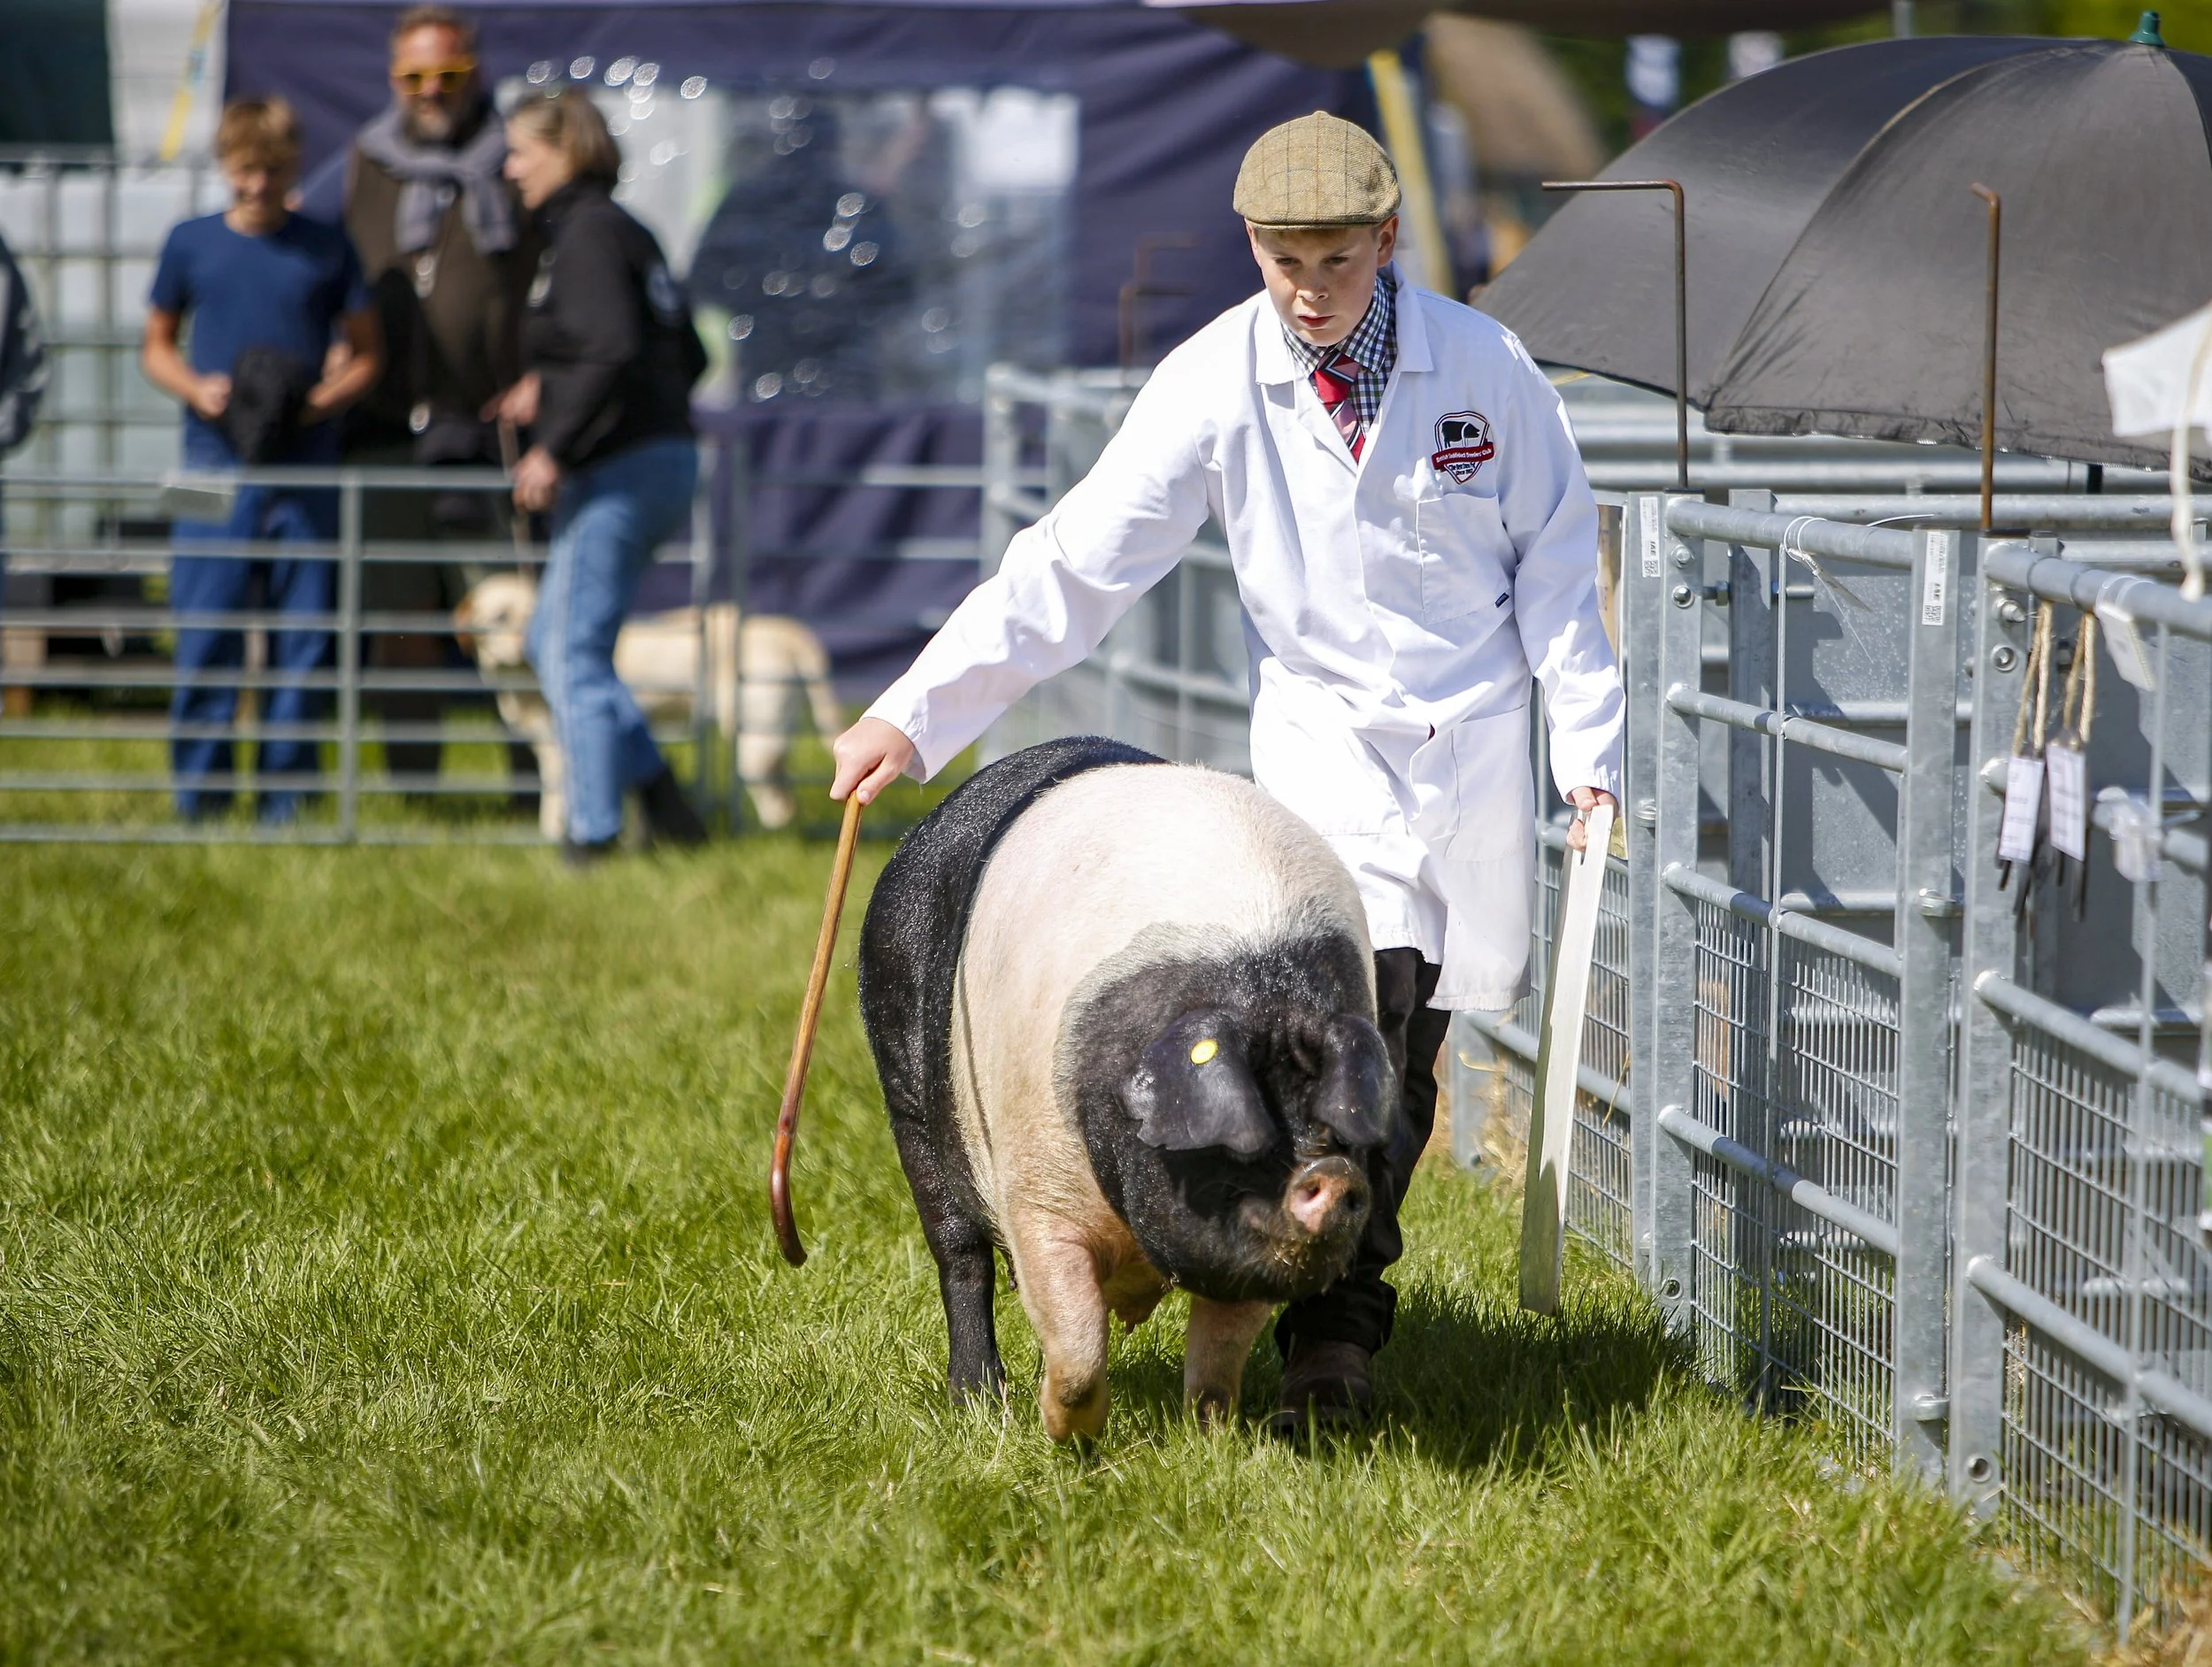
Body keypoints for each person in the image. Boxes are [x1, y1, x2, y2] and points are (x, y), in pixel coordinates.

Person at [830, 112, 1624, 1435]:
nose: (1310, 290)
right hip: (1317, 768)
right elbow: (1075, 565)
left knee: (1403, 1067)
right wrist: (913, 717)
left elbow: (1557, 573)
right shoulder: (1215, 380)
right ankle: (1302, 1327)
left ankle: (1332, 1339)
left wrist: (1590, 758)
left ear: (1387, 239)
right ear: (1250, 246)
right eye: (1282, 260)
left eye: (1335, 258)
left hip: (1468, 753)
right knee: (1319, 1061)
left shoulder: (1486, 370)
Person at [142, 96, 381, 825]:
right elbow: (155, 346)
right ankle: (200, 803)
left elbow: (369, 352)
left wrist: (318, 402)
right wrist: (197, 387)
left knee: (302, 639)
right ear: (225, 167)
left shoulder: (326, 247)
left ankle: (288, 802)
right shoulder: (190, 243)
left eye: (270, 172)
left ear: (291, 168)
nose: (256, 187)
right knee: (204, 630)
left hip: (304, 469)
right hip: (206, 464)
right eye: (244, 172)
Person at [491, 88, 708, 862]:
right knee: (557, 639)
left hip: (617, 469)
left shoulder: (583, 235)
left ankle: (592, 834)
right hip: (661, 457)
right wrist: (547, 384)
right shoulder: (627, 231)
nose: (510, 168)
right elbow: (687, 356)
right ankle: (666, 801)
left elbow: (610, 347)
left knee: (570, 651)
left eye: (521, 151)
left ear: (567, 150)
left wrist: (554, 443)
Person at [341, 4, 535, 789]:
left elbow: (559, 279)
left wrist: (540, 373)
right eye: (413, 77)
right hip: (388, 426)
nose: (431, 92)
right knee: (402, 623)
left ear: (474, 72)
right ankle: (412, 791)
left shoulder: (515, 157)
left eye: (447, 75)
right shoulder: (369, 160)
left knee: (509, 619)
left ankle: (535, 787)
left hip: (485, 433)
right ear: (393, 80)